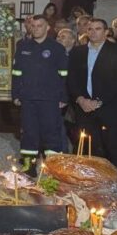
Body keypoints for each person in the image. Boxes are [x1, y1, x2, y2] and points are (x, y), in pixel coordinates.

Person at [67, 18, 117, 180]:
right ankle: (93, 181)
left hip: (109, 107)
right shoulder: (78, 52)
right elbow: (71, 78)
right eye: (90, 29)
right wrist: (80, 99)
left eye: (98, 29)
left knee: (112, 145)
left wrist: (98, 101)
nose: (93, 32)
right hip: (84, 107)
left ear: (106, 32)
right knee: (89, 146)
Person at [12, 14, 69, 171]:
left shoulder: (57, 48)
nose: (36, 29)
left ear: (47, 28)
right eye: (33, 26)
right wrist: (15, 94)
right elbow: (16, 73)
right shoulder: (23, 47)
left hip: (50, 99)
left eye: (40, 26)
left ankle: (53, 170)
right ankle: (28, 167)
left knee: (51, 135)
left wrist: (64, 97)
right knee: (28, 134)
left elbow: (64, 75)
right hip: (28, 99)